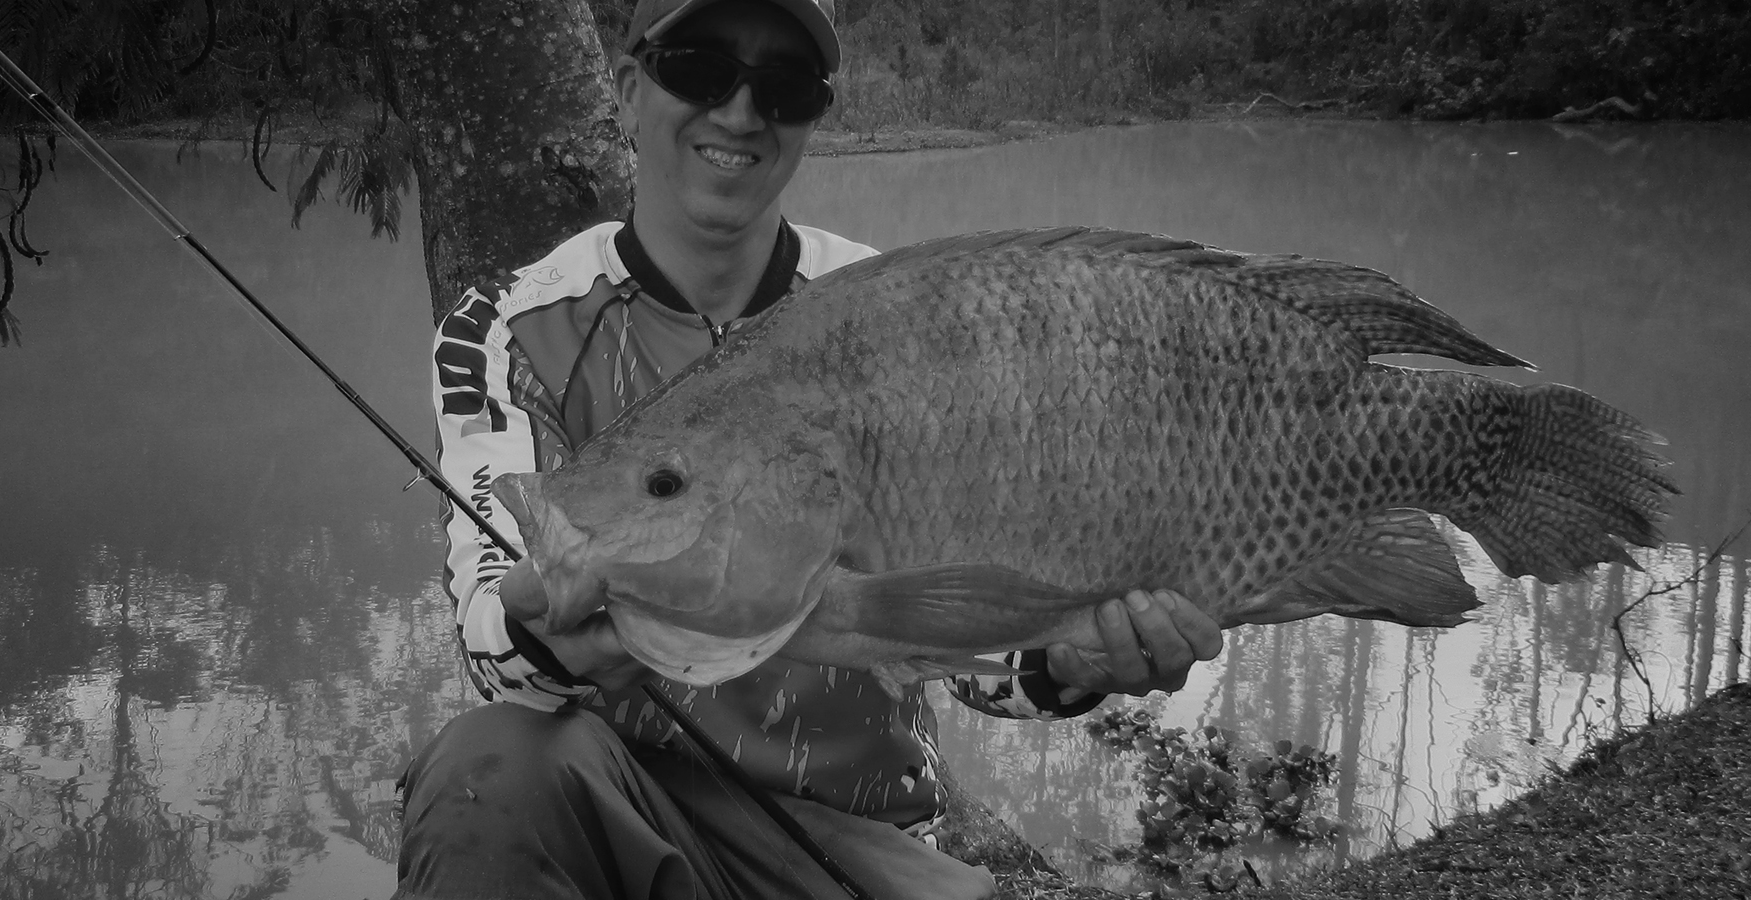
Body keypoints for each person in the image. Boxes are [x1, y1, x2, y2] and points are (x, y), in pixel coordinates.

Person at [399, 1, 1225, 897]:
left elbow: (979, 673)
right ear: (629, 90)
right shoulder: (509, 330)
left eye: (784, 87)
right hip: (625, 815)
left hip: (861, 840)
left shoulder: (900, 310)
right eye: (700, 68)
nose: (739, 113)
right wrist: (545, 632)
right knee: (485, 770)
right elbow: (490, 652)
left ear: (813, 115)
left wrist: (1075, 666)